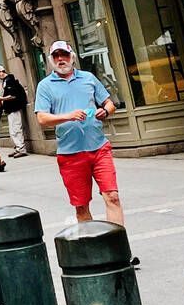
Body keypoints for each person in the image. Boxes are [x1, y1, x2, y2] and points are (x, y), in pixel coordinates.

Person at [34, 40, 122, 225]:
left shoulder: (88, 78)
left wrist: (105, 111)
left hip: (99, 148)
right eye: (56, 56)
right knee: (81, 206)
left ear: (72, 57)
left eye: (64, 55)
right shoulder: (45, 85)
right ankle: (91, 249)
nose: (60, 59)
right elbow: (42, 118)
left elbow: (109, 103)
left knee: (112, 196)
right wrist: (68, 116)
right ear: (51, 60)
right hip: (70, 154)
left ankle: (118, 249)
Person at [0, 64, 29, 158]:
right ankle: (18, 148)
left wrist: (1, 98)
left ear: (1, 72)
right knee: (13, 130)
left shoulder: (10, 81)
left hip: (14, 108)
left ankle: (21, 149)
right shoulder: (7, 81)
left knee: (16, 129)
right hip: (11, 109)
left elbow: (13, 95)